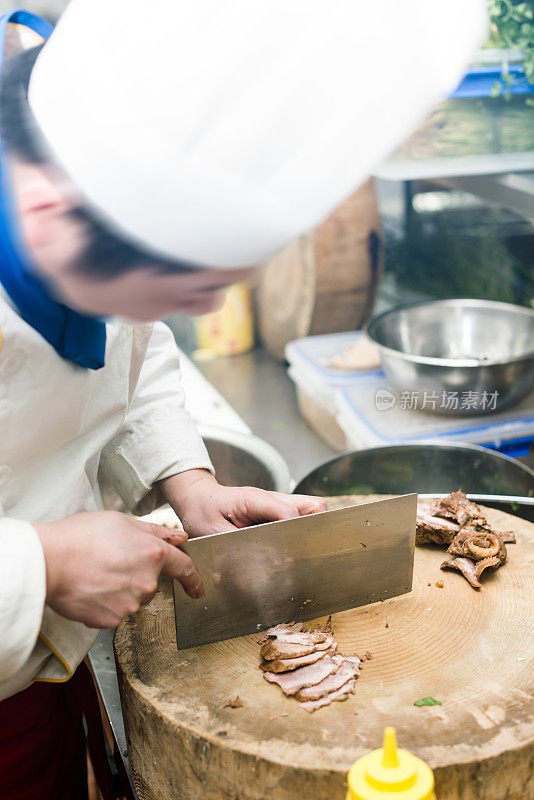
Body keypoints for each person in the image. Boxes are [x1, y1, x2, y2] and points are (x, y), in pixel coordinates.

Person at [0, 3, 485, 798]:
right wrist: (37, 566)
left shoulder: (79, 217)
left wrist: (187, 481)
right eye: (194, 285)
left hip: (37, 671)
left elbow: (134, 341)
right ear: (50, 219)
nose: (199, 313)